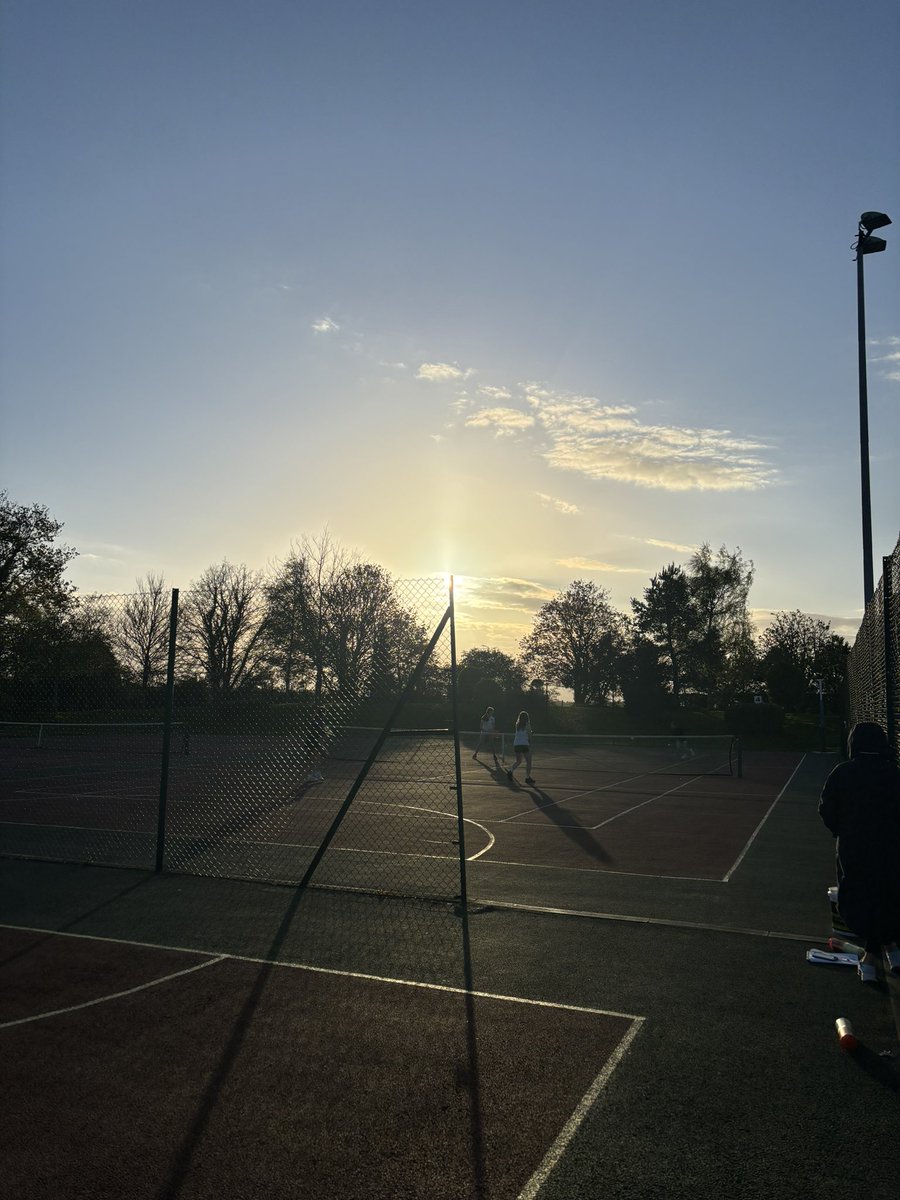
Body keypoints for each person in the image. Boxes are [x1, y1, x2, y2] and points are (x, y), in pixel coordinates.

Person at [819, 721, 900, 982]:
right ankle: (889, 947)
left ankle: (871, 957)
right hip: (891, 847)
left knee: (859, 894)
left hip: (854, 847)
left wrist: (841, 830)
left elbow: (826, 809)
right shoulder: (893, 774)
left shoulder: (843, 773)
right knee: (889, 892)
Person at [506, 710, 535, 785]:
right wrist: (531, 741)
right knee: (529, 761)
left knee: (518, 761)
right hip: (524, 744)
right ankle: (527, 777)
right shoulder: (527, 724)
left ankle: (511, 771)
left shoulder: (517, 724)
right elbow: (529, 735)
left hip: (516, 744)